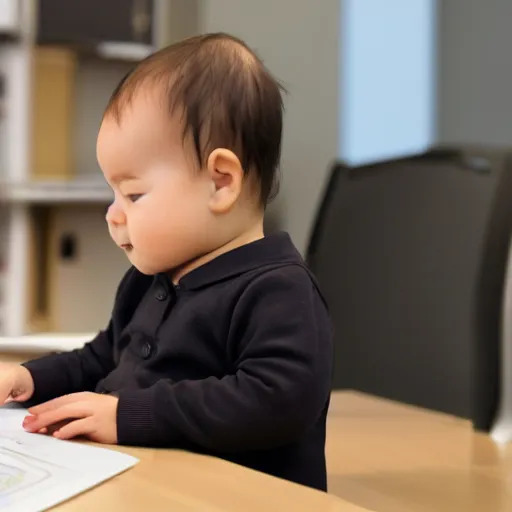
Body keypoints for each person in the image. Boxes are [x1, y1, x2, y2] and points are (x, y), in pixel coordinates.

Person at [0, 33, 333, 491]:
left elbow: (277, 401)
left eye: (133, 194)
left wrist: (129, 415)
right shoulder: (147, 282)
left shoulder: (278, 290)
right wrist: (27, 378)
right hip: (150, 482)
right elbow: (101, 358)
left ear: (220, 182)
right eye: (113, 194)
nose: (112, 214)